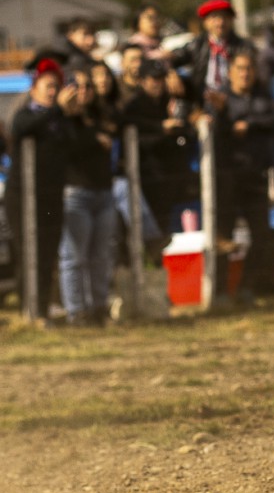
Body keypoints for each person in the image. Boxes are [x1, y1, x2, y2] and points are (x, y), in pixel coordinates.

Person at [208, 49, 274, 300]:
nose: (245, 73)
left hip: (256, 176)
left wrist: (250, 124)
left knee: (261, 234)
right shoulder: (220, 99)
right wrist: (223, 116)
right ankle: (220, 292)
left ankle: (246, 288)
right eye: (239, 68)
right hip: (228, 178)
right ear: (230, 73)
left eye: (249, 68)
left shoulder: (262, 97)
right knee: (223, 237)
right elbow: (213, 131)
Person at [56, 65, 120, 326]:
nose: (83, 91)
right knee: (74, 256)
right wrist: (64, 111)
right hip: (76, 195)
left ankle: (99, 307)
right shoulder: (62, 119)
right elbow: (68, 149)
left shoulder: (100, 114)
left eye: (88, 86)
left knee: (101, 256)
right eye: (77, 86)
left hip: (103, 192)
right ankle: (76, 312)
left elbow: (119, 120)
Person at [8, 61, 69, 318]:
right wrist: (57, 110)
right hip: (23, 197)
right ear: (34, 89)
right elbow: (22, 128)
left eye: (56, 87)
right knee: (28, 253)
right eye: (48, 86)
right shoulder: (26, 113)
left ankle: (43, 308)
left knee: (47, 255)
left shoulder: (61, 118)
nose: (53, 92)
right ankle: (29, 310)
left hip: (50, 196)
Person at [117, 59, 195, 242]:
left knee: (169, 223)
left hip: (171, 173)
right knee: (150, 226)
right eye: (153, 79)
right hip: (147, 175)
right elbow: (132, 136)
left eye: (161, 79)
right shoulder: (134, 106)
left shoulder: (171, 101)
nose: (158, 83)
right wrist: (161, 129)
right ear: (142, 81)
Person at [174, 0, 250, 104]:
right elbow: (174, 58)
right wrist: (171, 73)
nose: (220, 22)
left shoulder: (243, 46)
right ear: (205, 22)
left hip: (233, 102)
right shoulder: (197, 44)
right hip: (203, 101)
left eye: (224, 17)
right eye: (214, 17)